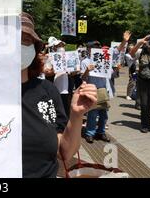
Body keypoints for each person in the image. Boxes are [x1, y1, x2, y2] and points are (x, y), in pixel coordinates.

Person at [20, 12, 97, 178]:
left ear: (34, 49)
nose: (19, 45)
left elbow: (64, 152)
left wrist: (76, 116)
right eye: (12, 40)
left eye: (26, 41)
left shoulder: (47, 91)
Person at [81, 41, 111, 144]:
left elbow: (110, 74)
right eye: (94, 47)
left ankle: (101, 132)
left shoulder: (104, 59)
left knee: (104, 114)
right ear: (89, 49)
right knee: (93, 113)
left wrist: (115, 69)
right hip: (92, 89)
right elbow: (83, 78)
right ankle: (90, 133)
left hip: (102, 89)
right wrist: (87, 71)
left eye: (98, 47)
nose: (97, 49)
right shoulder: (85, 61)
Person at [44, 37, 77, 118]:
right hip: (54, 87)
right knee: (55, 109)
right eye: (58, 46)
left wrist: (74, 70)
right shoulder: (50, 57)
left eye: (62, 45)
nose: (61, 47)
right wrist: (55, 69)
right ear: (54, 48)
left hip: (66, 88)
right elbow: (46, 73)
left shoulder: (69, 57)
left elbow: (72, 73)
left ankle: (65, 127)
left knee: (66, 108)